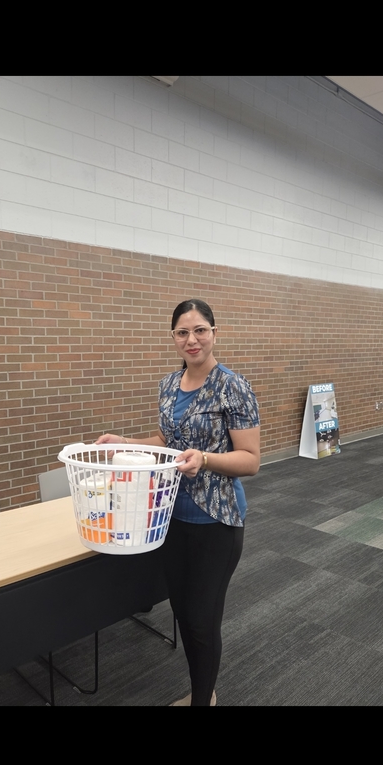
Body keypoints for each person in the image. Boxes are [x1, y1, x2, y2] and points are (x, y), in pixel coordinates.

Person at [96, 298, 260, 706]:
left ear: (214, 333)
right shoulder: (169, 385)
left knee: (203, 621)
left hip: (216, 521)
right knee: (184, 614)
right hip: (169, 516)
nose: (192, 339)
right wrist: (124, 442)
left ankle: (202, 701)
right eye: (183, 332)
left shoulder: (233, 386)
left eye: (200, 330)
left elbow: (250, 460)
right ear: (173, 337)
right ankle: (203, 692)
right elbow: (165, 441)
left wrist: (205, 458)